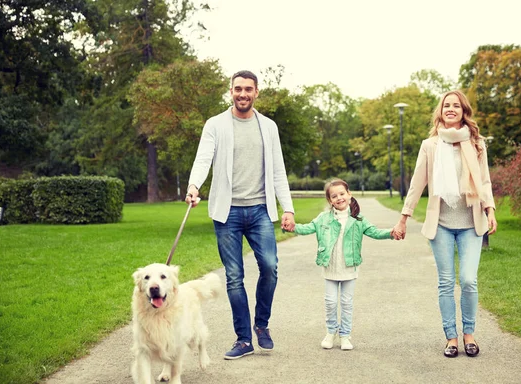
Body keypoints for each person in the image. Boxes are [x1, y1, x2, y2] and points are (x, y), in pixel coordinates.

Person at [185, 70, 295, 360]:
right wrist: (194, 186)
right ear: (230, 91)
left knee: (270, 267)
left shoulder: (268, 127)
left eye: (248, 89)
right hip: (227, 213)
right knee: (234, 277)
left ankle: (262, 325)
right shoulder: (216, 125)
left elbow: (278, 170)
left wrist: (289, 208)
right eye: (237, 89)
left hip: (260, 210)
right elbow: (203, 158)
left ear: (257, 92)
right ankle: (244, 339)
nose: (242, 94)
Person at [393, 90, 497, 358]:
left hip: (471, 222)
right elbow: (418, 183)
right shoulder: (430, 145)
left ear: (464, 112)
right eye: (446, 105)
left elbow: (484, 179)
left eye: (456, 106)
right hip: (440, 224)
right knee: (446, 282)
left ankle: (469, 334)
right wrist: (404, 217)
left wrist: (490, 209)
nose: (451, 109)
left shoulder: (477, 143)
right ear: (440, 111)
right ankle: (451, 337)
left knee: (468, 280)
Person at [287, 178, 398, 350]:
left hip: (349, 267)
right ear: (330, 200)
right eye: (334, 196)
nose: (339, 198)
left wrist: (391, 233)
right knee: (330, 302)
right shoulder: (323, 218)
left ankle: (345, 336)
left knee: (347, 303)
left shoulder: (358, 220)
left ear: (349, 194)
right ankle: (331, 332)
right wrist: (293, 227)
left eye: (342, 194)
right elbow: (308, 228)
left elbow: (374, 232)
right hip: (330, 267)